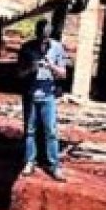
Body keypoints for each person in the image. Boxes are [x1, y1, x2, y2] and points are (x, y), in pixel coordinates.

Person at [17, 19, 68, 181]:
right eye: (40, 38)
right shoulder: (26, 48)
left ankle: (54, 165)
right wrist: (31, 68)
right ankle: (29, 161)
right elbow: (19, 74)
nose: (42, 43)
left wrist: (51, 66)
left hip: (48, 95)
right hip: (31, 94)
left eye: (45, 39)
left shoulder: (57, 48)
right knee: (30, 130)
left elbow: (63, 74)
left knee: (51, 131)